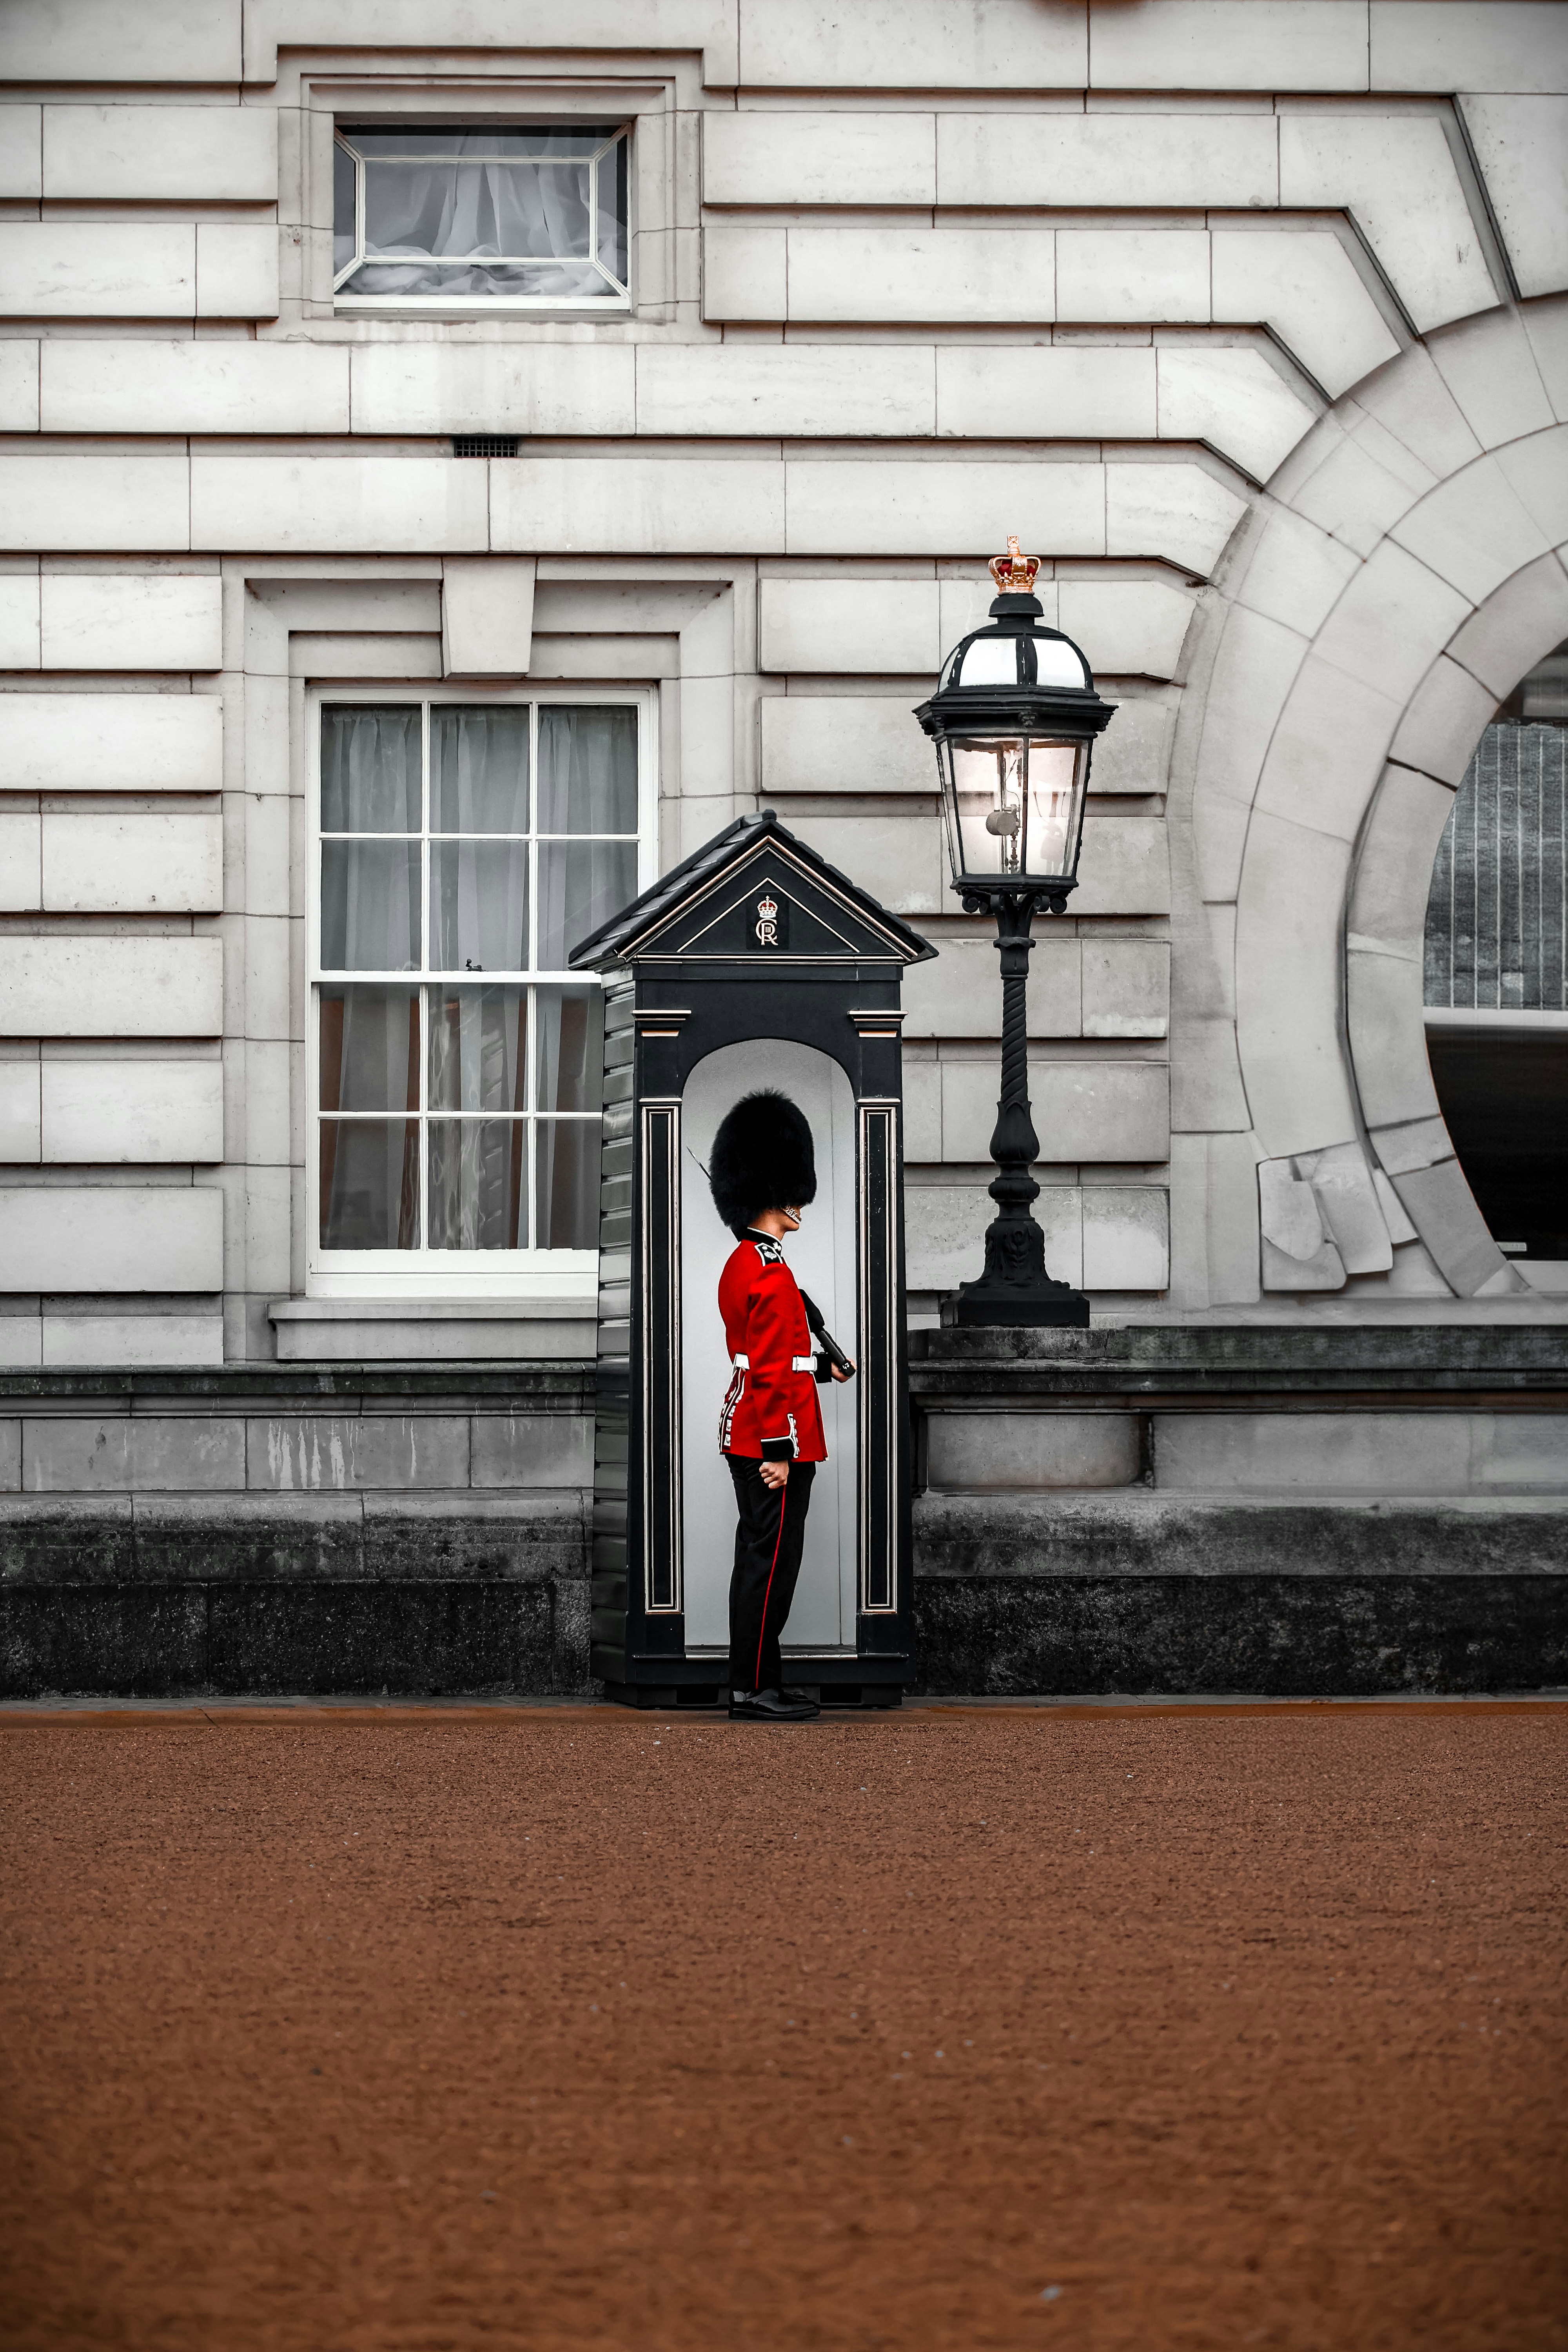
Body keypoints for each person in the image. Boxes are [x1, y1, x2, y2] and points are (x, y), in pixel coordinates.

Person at [710, 1090, 854, 1724]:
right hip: (771, 1439)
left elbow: (782, 1361)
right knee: (771, 1568)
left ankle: (760, 1681)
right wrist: (779, 1453)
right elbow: (769, 1371)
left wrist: (826, 1366)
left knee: (765, 1562)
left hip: (757, 1424)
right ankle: (752, 1689)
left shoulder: (750, 1262)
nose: (801, 1206)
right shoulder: (768, 1271)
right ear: (775, 1192)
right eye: (793, 1193)